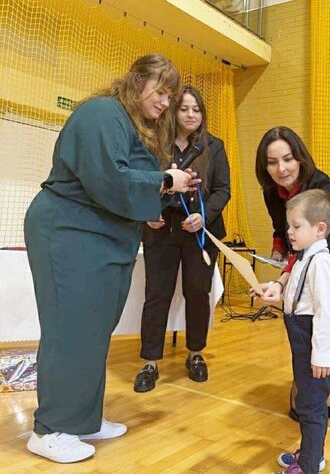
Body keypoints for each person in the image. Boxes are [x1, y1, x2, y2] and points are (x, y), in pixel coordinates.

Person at [23, 53, 197, 463]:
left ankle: (81, 419)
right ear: (137, 81)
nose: (165, 103)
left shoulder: (130, 125)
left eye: (170, 96)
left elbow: (123, 184)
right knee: (71, 330)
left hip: (100, 236)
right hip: (70, 231)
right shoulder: (101, 113)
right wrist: (164, 180)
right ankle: (50, 429)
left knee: (93, 332)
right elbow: (109, 178)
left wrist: (155, 201)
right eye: (161, 91)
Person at [254, 126, 330, 421]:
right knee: (306, 322)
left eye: (288, 159)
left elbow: (314, 243)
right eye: (272, 162)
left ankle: (313, 390)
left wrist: (283, 279)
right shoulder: (271, 193)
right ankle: (319, 391)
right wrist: (279, 251)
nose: (281, 169)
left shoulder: (319, 186)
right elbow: (282, 229)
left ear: (300, 158)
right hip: (309, 254)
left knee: (326, 322)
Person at [134, 86, 231, 392]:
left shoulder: (214, 146)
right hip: (161, 229)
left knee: (198, 294)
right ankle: (150, 362)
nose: (191, 115)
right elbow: (141, 184)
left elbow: (223, 190)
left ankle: (196, 354)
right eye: (184, 108)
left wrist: (204, 216)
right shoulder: (154, 143)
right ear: (173, 112)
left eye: (196, 109)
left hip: (199, 231)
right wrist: (148, 212)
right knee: (156, 295)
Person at [258, 189, 330, 474]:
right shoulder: (305, 258)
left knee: (311, 405)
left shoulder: (323, 263)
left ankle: (308, 466)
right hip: (302, 339)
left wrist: (321, 355)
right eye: (289, 226)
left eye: (296, 226)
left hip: (313, 341)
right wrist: (274, 292)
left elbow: (327, 312)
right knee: (307, 399)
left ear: (320, 229)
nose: (289, 232)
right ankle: (311, 454)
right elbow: (297, 295)